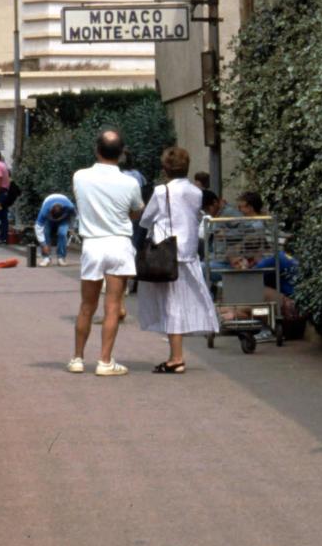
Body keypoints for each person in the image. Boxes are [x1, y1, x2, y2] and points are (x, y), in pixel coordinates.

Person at [68, 129, 143, 376]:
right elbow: (136, 212)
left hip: (92, 244)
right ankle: (105, 361)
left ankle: (77, 358)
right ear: (121, 154)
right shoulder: (131, 183)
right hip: (119, 244)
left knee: (86, 305)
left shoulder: (80, 176)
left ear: (96, 150)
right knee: (112, 306)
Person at [135, 147, 217, 373]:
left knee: (171, 303)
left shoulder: (162, 191)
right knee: (182, 300)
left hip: (166, 252)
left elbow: (146, 219)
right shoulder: (196, 192)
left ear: (165, 168)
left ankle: (176, 357)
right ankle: (175, 354)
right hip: (188, 252)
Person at [34, 192, 75, 266]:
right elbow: (38, 227)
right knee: (45, 232)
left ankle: (61, 258)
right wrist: (43, 245)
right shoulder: (44, 211)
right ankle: (46, 258)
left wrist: (72, 227)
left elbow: (73, 216)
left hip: (64, 218)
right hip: (49, 219)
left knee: (62, 233)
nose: (56, 220)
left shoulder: (70, 207)